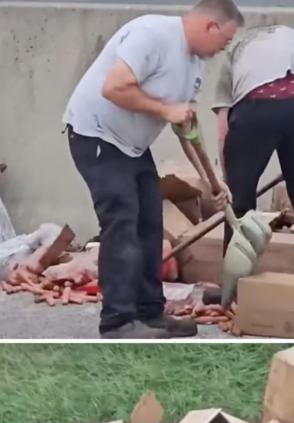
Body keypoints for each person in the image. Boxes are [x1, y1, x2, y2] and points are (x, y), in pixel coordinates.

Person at [64, 0, 243, 339]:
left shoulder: (193, 67)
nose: (223, 49)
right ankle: (117, 321)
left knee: (150, 223)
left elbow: (186, 127)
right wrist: (164, 110)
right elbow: (114, 87)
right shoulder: (152, 34)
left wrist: (212, 181)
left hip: (132, 146)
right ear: (210, 27)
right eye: (226, 40)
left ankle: (150, 313)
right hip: (96, 134)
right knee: (122, 219)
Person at [211, 24, 294, 311]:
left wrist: (230, 179)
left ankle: (233, 289)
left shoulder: (235, 50)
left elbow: (223, 126)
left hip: (254, 108)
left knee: (239, 203)